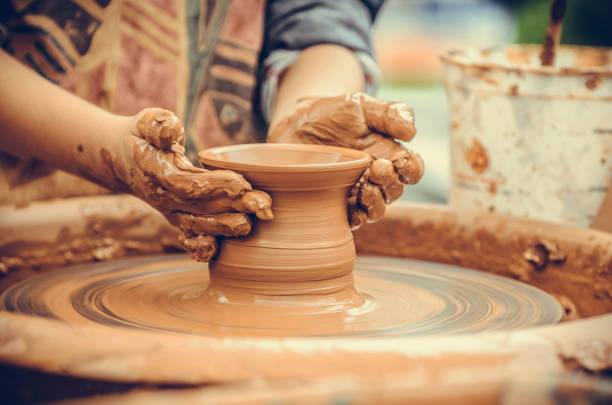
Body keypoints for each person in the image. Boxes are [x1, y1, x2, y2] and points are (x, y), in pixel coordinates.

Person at [0, 0, 423, 261]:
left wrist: (307, 110)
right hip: (25, 213)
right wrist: (112, 152)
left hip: (231, 215)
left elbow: (323, 13)